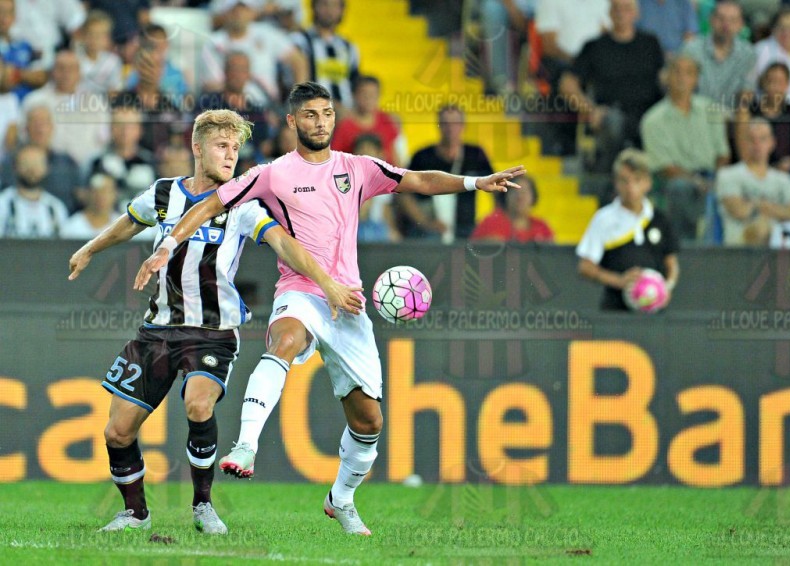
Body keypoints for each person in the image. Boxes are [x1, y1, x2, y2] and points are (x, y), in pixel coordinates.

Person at [133, 82, 523, 536]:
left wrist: (476, 182)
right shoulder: (272, 173)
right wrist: (169, 244)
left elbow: (418, 180)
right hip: (300, 291)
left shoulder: (357, 168)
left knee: (369, 421)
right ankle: (246, 445)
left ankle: (341, 498)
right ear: (292, 121)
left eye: (327, 113)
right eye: (311, 115)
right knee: (285, 340)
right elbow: (212, 203)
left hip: (349, 302)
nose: (321, 123)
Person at [68, 108, 361, 534]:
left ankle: (203, 506)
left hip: (212, 332)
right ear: (197, 147)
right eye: (222, 145)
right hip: (157, 330)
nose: (230, 155)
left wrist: (327, 283)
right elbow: (129, 223)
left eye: (235, 148)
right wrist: (90, 249)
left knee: (199, 403)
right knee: (117, 431)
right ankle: (135, 513)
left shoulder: (242, 203)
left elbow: (284, 244)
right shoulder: (164, 193)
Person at [559, 0, 663, 175]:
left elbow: (665, 78)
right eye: (616, 8)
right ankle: (610, 181)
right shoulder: (595, 46)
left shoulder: (651, 44)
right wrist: (590, 110)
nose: (621, 13)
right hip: (611, 115)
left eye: (627, 8)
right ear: (609, 13)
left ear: (637, 14)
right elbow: (567, 84)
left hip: (650, 115)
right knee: (613, 123)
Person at [640, 55, 730, 242]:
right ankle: (685, 247)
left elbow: (723, 154)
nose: (682, 78)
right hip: (675, 181)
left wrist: (717, 178)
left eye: (689, 73)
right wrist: (697, 181)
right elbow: (665, 167)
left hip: (712, 175)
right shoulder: (652, 120)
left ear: (696, 79)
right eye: (676, 72)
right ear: (666, 77)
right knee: (681, 189)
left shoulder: (710, 109)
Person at [577, 148, 679, 311]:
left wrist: (666, 287)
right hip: (615, 312)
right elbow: (585, 267)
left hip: (655, 314)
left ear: (648, 182)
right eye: (624, 180)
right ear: (616, 183)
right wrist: (619, 281)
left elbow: (671, 263)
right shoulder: (603, 219)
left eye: (637, 180)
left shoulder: (660, 219)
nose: (631, 187)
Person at [396, 105, 494, 243]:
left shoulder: (475, 154)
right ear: (438, 125)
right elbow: (403, 193)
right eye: (445, 123)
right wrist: (425, 222)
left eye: (455, 123)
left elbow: (496, 189)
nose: (450, 128)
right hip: (428, 232)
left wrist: (493, 224)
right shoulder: (423, 156)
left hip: (466, 230)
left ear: (463, 125)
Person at [717, 118, 790, 246]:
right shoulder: (728, 175)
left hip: (780, 241)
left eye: (762, 139)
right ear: (744, 142)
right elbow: (740, 211)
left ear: (772, 143)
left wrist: (757, 205)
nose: (757, 144)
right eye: (752, 139)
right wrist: (775, 210)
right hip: (741, 243)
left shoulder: (784, 180)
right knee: (762, 228)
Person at [682, 0, 756, 112]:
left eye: (732, 20)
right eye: (721, 18)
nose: (726, 25)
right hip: (694, 114)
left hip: (730, 117)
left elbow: (747, 91)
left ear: (741, 25)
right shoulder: (692, 50)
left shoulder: (748, 54)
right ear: (711, 20)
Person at [291, 0, 359, 109]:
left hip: (346, 112)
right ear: (314, 7)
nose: (329, 10)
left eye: (335, 6)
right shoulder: (300, 40)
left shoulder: (349, 47)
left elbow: (355, 82)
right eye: (324, 4)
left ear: (342, 10)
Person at [0, 144, 68, 238]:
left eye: (37, 163)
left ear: (47, 168)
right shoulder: (3, 204)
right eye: (26, 163)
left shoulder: (56, 208)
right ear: (15, 167)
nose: (32, 169)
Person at [470, 174, 554, 243]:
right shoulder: (491, 224)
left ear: (533, 197)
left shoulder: (542, 227)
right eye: (514, 191)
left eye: (525, 191)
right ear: (505, 196)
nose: (520, 196)